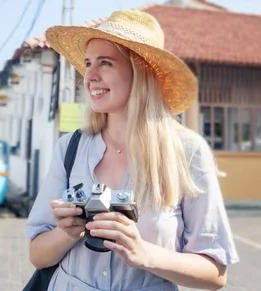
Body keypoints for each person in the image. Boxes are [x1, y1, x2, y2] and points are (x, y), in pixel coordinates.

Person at [25, 9, 240, 291]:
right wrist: (67, 232)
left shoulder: (187, 152)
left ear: (140, 72)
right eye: (88, 64)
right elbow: (37, 256)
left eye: (106, 63)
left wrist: (146, 254)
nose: (89, 76)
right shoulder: (70, 147)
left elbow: (215, 275)